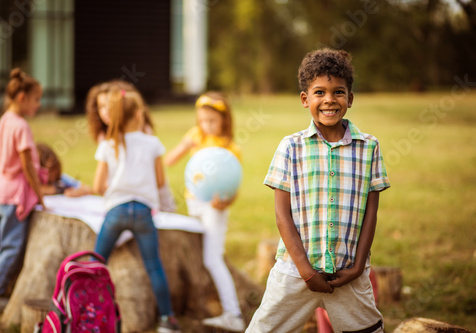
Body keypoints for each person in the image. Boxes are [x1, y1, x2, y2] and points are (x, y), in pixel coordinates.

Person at [246, 48, 391, 333]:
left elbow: (371, 213)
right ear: (305, 99)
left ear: (350, 98)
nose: (329, 100)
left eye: (338, 92)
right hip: (294, 272)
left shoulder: (369, 146)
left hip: (347, 273)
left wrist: (358, 266)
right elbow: (281, 214)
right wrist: (306, 271)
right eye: (319, 92)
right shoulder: (291, 146)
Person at [92, 87, 181, 333]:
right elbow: (161, 182)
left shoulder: (109, 144)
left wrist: (118, 185)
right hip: (143, 213)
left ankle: (89, 310)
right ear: (139, 115)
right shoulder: (152, 143)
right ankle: (167, 319)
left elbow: (99, 186)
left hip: (116, 212)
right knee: (154, 265)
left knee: (97, 262)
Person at [165, 92, 245, 332]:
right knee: (197, 255)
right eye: (202, 120)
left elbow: (234, 187)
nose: (206, 125)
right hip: (194, 203)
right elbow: (169, 161)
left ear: (224, 120)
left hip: (214, 207)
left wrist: (226, 203)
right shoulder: (195, 136)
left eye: (211, 121)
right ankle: (200, 304)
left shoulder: (230, 148)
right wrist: (185, 145)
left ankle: (233, 314)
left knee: (213, 258)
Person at [0, 68, 44, 314]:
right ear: (22, 97)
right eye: (37, 99)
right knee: (11, 247)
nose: (39, 104)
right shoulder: (22, 126)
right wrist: (40, 193)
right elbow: (27, 165)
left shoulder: (5, 119)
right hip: (15, 196)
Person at [85, 80, 176, 212]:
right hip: (126, 203)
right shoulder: (104, 138)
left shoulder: (141, 133)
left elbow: (155, 180)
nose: (106, 111)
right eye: (101, 107)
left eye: (110, 106)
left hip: (149, 201)